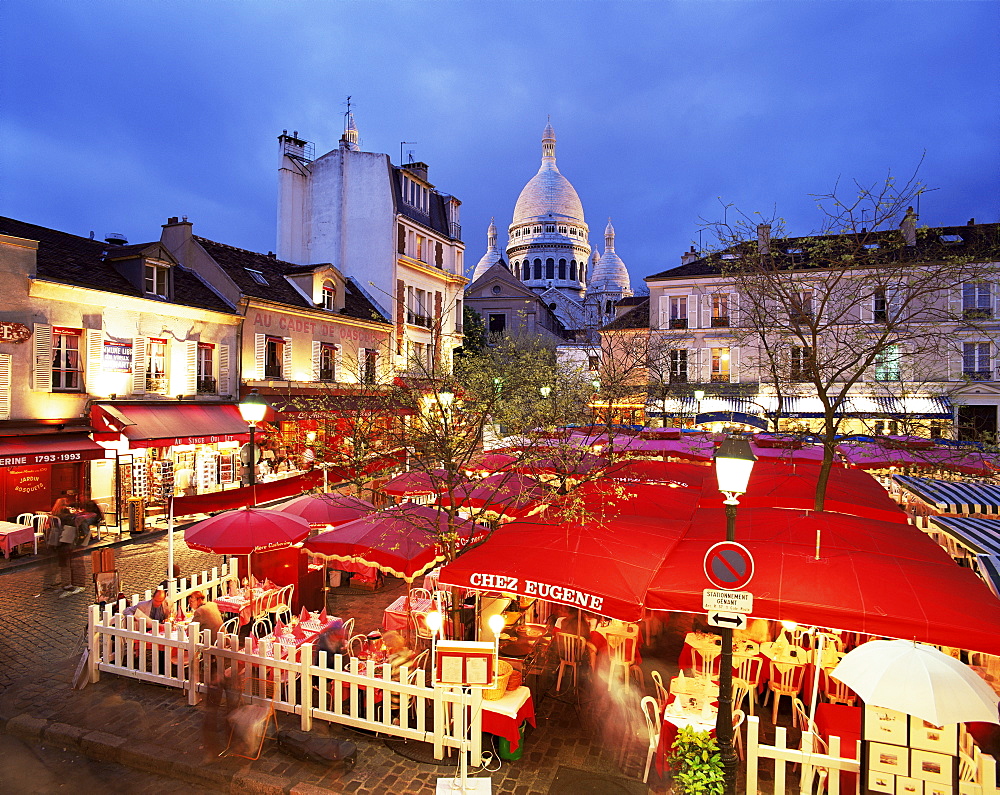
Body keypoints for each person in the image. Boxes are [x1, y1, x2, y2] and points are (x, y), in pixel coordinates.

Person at [56, 518, 84, 595]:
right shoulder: (69, 518)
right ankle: (70, 584)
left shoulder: (59, 515)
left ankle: (68, 584)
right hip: (66, 539)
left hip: (63, 540)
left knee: (66, 564)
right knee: (69, 564)